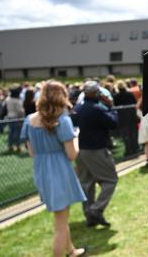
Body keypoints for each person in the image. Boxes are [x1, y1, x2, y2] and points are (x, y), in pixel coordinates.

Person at [20, 81, 86, 257]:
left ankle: (71, 251)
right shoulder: (63, 120)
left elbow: (32, 153)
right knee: (61, 224)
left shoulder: (29, 120)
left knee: (61, 219)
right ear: (62, 96)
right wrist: (77, 137)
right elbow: (72, 155)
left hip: (41, 173)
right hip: (60, 173)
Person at [72, 80, 118, 227]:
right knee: (111, 180)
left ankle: (90, 217)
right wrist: (111, 107)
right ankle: (95, 210)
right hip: (96, 149)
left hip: (81, 150)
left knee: (87, 184)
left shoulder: (78, 107)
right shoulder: (98, 108)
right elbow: (113, 123)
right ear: (95, 92)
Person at [113, 80, 139, 158]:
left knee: (125, 135)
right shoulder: (129, 94)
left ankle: (129, 150)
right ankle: (135, 148)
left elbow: (115, 106)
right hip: (132, 116)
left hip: (122, 118)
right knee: (133, 133)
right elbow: (135, 102)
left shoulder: (116, 96)